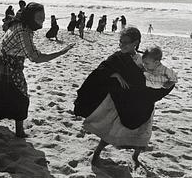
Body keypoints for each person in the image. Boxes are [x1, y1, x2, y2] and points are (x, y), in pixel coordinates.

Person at [74, 27, 174, 167]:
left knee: (142, 133)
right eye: (120, 41)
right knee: (111, 130)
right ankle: (97, 153)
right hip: (122, 102)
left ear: (136, 42)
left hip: (141, 102)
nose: (121, 45)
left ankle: (135, 156)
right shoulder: (117, 57)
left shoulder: (143, 59)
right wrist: (114, 74)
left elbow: (157, 75)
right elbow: (102, 69)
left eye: (125, 42)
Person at [0, 2, 74, 137]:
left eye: (43, 16)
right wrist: (61, 52)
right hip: (7, 64)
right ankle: (20, 132)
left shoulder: (19, 22)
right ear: (30, 17)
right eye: (39, 17)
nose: (42, 20)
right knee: (20, 96)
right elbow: (35, 58)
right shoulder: (24, 31)